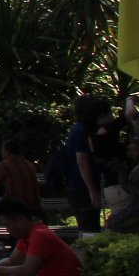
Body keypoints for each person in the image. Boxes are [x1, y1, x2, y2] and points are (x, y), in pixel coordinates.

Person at [57, 96, 111, 232]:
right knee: (89, 226)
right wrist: (93, 191)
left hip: (79, 184)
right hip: (81, 186)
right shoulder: (82, 132)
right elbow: (82, 162)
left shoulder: (80, 129)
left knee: (90, 224)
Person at [105, 135, 139, 234]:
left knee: (116, 223)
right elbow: (130, 189)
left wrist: (127, 186)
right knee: (112, 220)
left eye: (135, 150)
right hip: (135, 205)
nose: (132, 153)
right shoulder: (137, 168)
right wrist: (122, 176)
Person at [0, 138, 40, 214]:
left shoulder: (3, 165)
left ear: (6, 152)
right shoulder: (29, 165)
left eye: (2, 151)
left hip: (16, 209)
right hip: (35, 207)